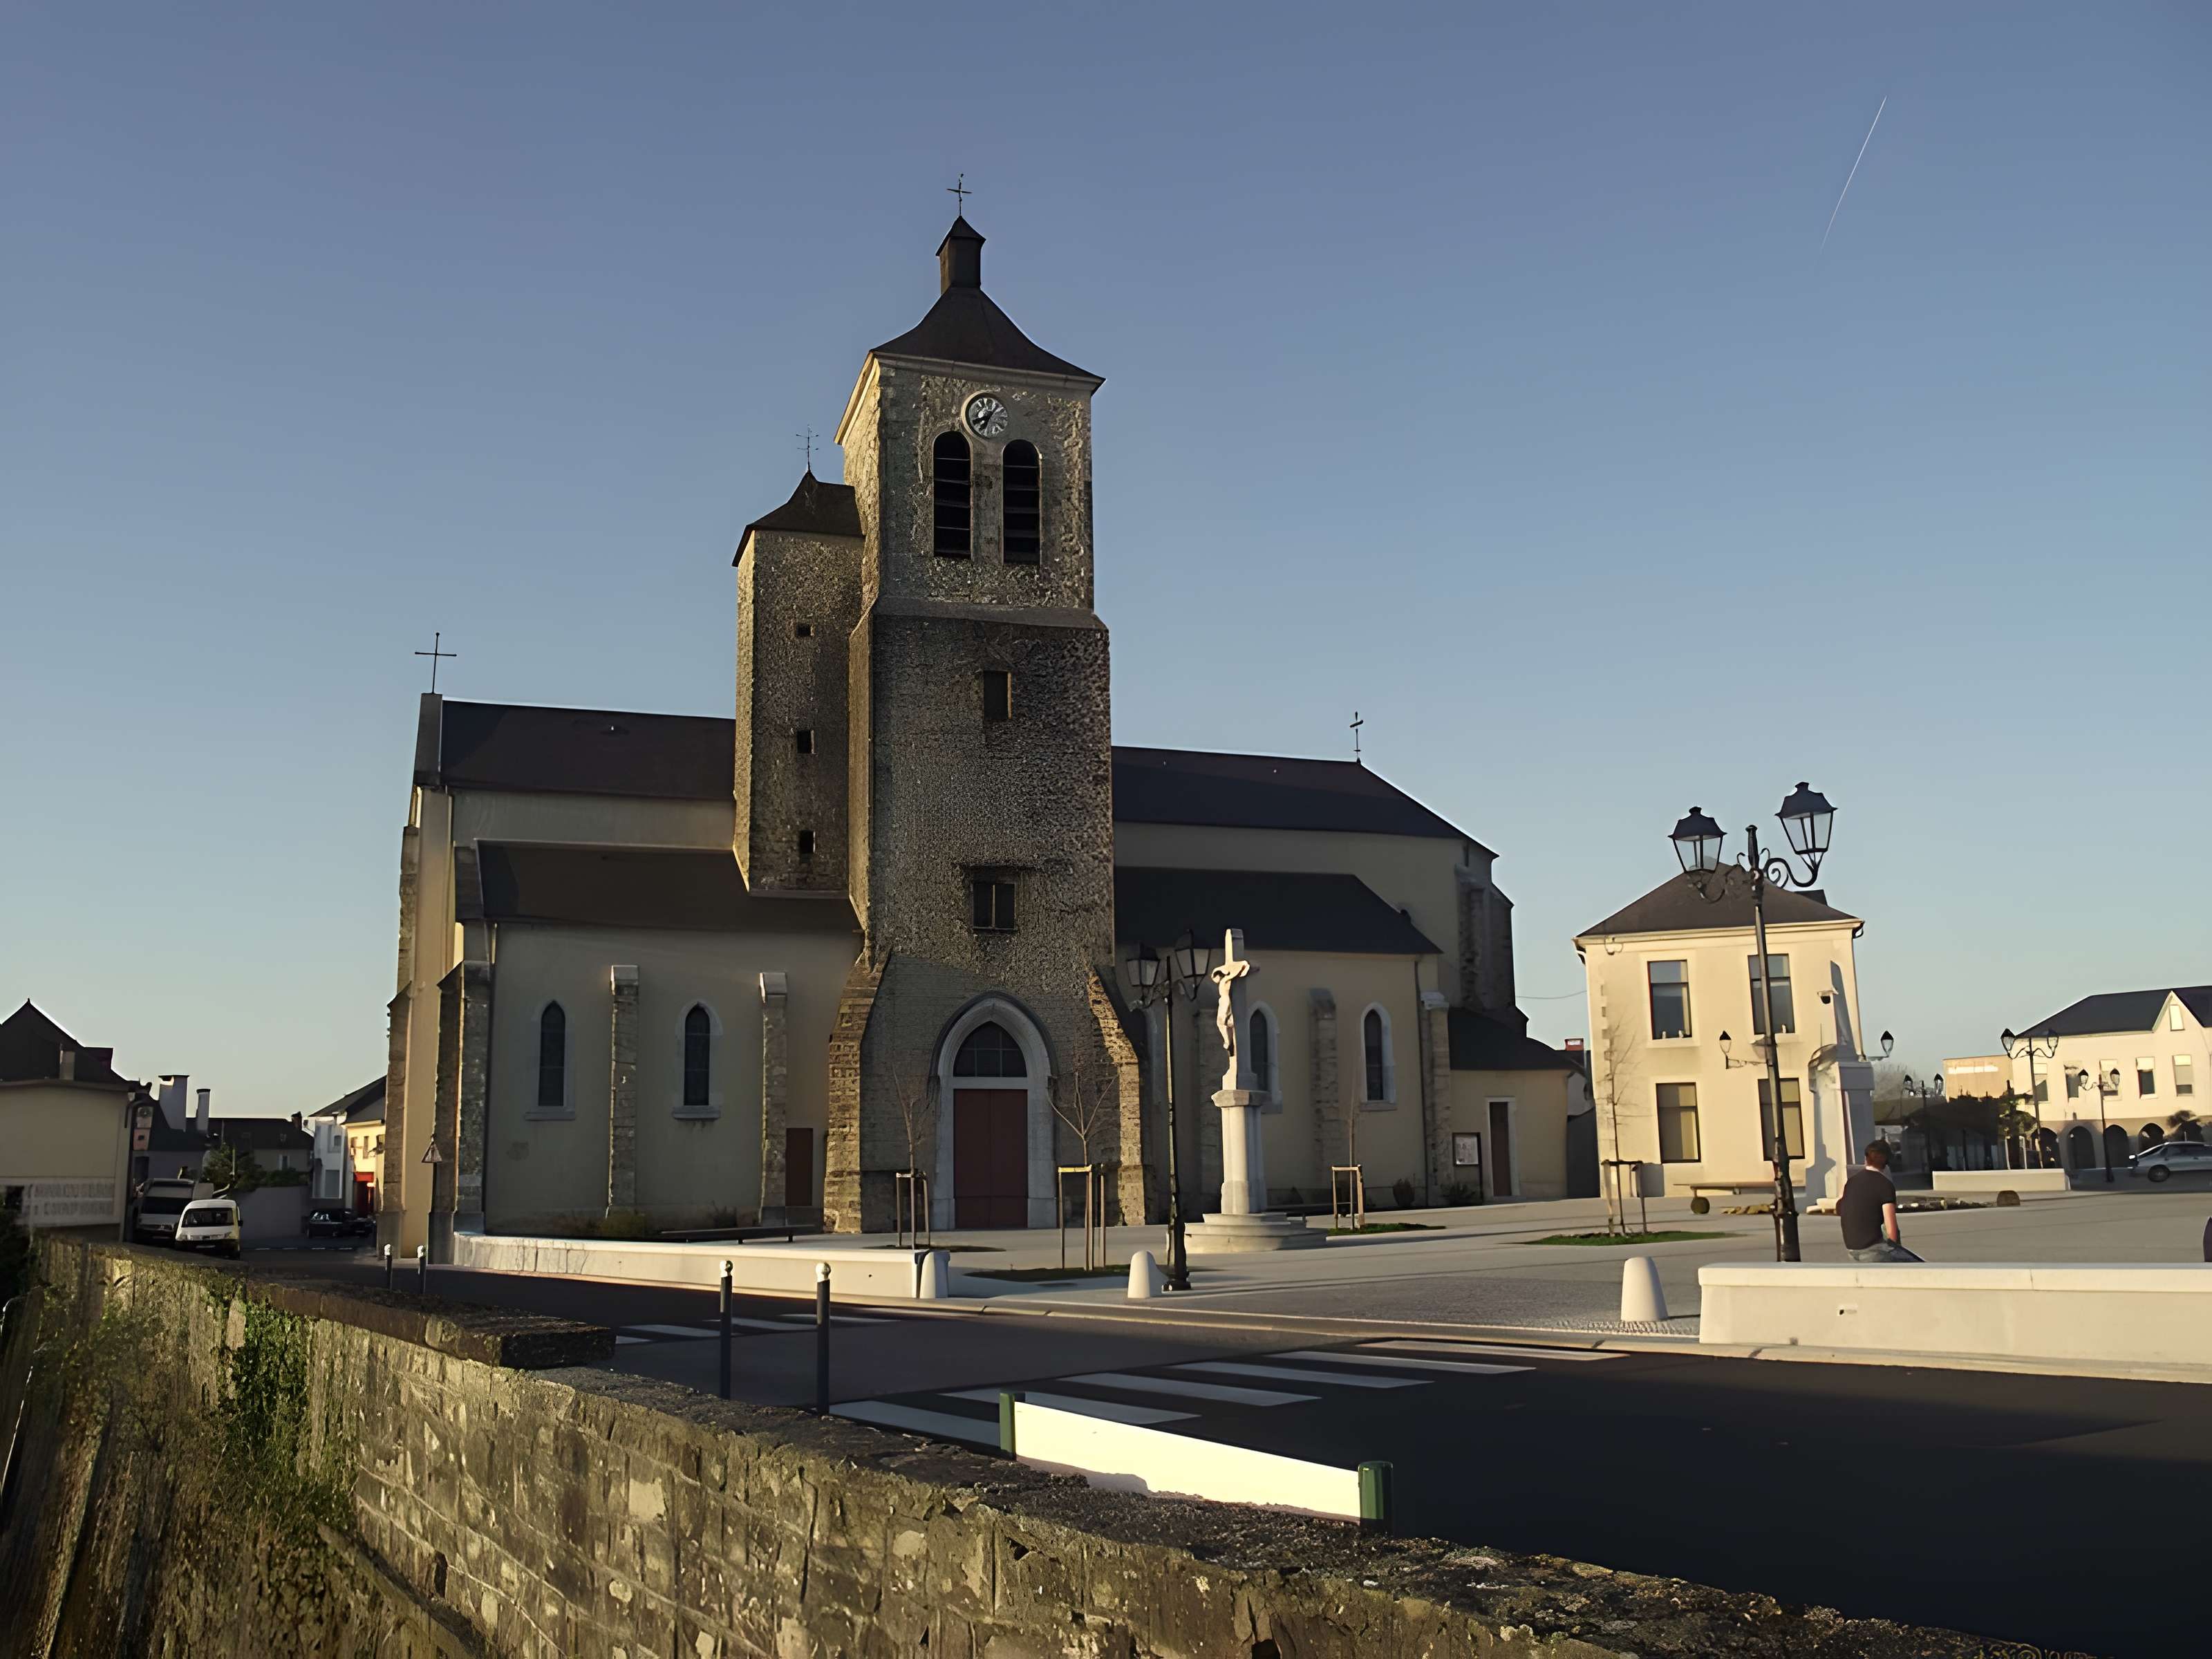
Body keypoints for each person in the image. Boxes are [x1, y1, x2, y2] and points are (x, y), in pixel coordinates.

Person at [1838, 1140, 1922, 1263]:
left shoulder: (1851, 1182)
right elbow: (1892, 1231)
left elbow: (1841, 1209)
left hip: (1852, 1250)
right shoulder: (1885, 1185)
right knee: (1921, 1266)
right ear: (1887, 1162)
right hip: (1875, 1252)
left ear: (1866, 1159)